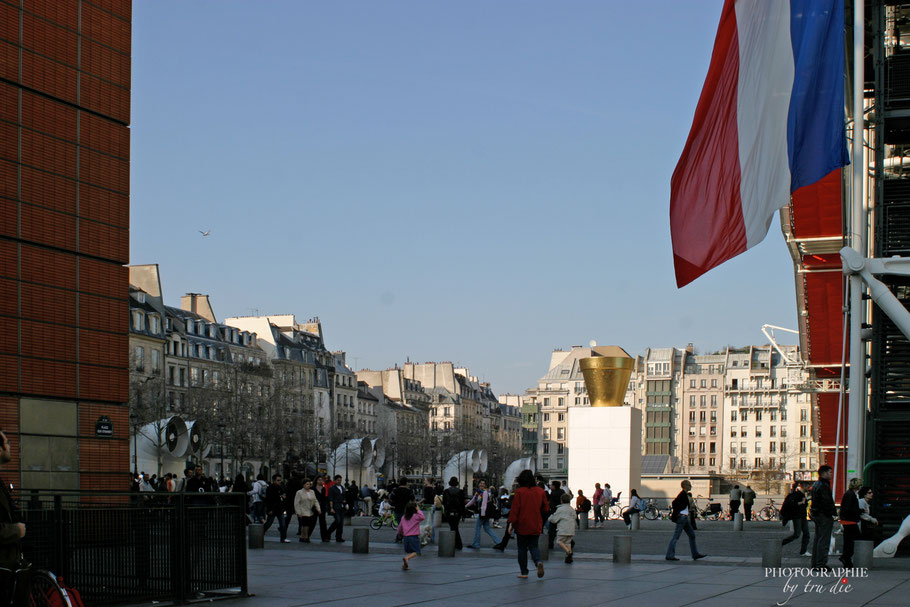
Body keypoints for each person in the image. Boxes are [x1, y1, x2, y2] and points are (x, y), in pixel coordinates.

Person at [508, 469, 549, 579]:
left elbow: (515, 509)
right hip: (535, 523)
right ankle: (538, 562)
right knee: (534, 546)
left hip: (522, 524)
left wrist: (511, 524)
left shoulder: (519, 492)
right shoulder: (540, 492)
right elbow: (546, 508)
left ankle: (524, 572)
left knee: (522, 549)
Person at [665, 480, 707, 561]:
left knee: (692, 535)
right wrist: (679, 512)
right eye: (689, 485)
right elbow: (674, 503)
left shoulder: (684, 494)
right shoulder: (682, 495)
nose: (690, 486)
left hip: (684, 518)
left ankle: (695, 554)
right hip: (682, 518)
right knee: (676, 537)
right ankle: (669, 555)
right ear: (685, 486)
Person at [810, 465, 837, 570]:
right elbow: (826, 502)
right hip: (824, 515)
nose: (831, 474)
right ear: (824, 473)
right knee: (823, 540)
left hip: (818, 515)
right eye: (830, 472)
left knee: (818, 539)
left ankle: (816, 563)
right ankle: (820, 564)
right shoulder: (823, 486)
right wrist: (832, 512)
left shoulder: (817, 484)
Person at [466, 480, 502, 549]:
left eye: (483, 483)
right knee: (487, 528)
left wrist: (482, 513)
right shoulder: (478, 492)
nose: (482, 484)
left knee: (477, 528)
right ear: (478, 484)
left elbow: (484, 503)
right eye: (481, 483)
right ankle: (499, 541)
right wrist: (466, 506)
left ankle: (476, 544)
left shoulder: (484, 492)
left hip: (484, 513)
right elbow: (473, 500)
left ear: (485, 485)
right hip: (485, 513)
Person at [839, 478, 863, 568]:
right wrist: (858, 511)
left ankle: (846, 558)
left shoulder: (849, 494)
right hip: (850, 521)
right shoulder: (851, 495)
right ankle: (846, 557)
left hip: (847, 520)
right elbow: (849, 508)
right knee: (853, 539)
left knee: (848, 540)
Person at [780, 483, 810, 556]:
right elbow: (792, 505)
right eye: (807, 486)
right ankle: (781, 543)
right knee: (797, 534)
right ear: (803, 487)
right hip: (797, 517)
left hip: (802, 516)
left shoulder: (802, 495)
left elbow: (804, 505)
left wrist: (804, 502)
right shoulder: (796, 495)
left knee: (806, 534)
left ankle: (803, 551)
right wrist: (801, 503)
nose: (809, 488)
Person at [549, 493, 577, 563]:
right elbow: (575, 517)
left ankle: (568, 552)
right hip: (571, 529)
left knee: (559, 541)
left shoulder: (560, 509)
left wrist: (550, 517)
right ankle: (568, 557)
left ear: (561, 501)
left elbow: (554, 519)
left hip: (563, 529)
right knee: (568, 543)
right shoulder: (571, 509)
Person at [397, 501, 425, 570]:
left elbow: (400, 527)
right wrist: (418, 510)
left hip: (406, 537)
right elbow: (422, 517)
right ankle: (407, 558)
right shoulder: (415, 516)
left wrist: (400, 533)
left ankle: (405, 566)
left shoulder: (404, 517)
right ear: (414, 508)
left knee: (409, 551)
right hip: (413, 537)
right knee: (416, 552)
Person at [263, 474, 290, 543]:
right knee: (269, 523)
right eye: (278, 480)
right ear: (274, 480)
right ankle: (260, 532)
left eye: (280, 480)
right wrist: (270, 509)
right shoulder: (270, 488)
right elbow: (269, 500)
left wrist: (283, 497)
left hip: (280, 508)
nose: (279, 481)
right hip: (273, 508)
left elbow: (282, 497)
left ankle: (283, 538)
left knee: (283, 524)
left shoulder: (280, 487)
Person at [442, 476, 465, 550]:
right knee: (455, 526)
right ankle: (457, 543)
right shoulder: (461, 491)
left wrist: (445, 511)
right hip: (458, 512)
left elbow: (444, 503)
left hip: (449, 511)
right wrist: (463, 514)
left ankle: (457, 543)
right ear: (457, 483)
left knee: (452, 527)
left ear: (450, 483)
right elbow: (462, 503)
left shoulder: (446, 491)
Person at [294, 478, 320, 543]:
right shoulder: (299, 492)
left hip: (310, 510)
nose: (308, 485)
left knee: (308, 524)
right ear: (303, 485)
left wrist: (318, 508)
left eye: (309, 484)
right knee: (305, 524)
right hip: (303, 510)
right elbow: (296, 503)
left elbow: (315, 501)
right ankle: (305, 537)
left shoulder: (312, 492)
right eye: (307, 484)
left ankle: (302, 536)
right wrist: (298, 512)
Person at [326, 474, 346, 542]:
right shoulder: (332, 488)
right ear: (335, 481)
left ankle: (339, 536)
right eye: (338, 480)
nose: (339, 481)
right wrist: (331, 508)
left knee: (341, 522)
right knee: (338, 520)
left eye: (340, 480)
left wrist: (345, 502)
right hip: (335, 506)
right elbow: (330, 499)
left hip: (342, 507)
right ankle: (328, 532)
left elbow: (344, 497)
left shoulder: (342, 488)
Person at [546, 480, 565, 549]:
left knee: (552, 529)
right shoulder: (562, 492)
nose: (550, 486)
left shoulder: (553, 493)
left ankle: (550, 543)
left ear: (554, 486)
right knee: (562, 528)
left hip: (554, 512)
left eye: (551, 485)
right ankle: (570, 542)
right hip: (561, 512)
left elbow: (551, 503)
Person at [314, 476, 330, 542]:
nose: (320, 481)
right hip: (314, 507)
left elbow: (324, 498)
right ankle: (306, 535)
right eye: (319, 480)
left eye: (321, 480)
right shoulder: (313, 488)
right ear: (316, 480)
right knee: (312, 522)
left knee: (323, 523)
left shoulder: (323, 488)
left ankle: (324, 537)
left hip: (322, 507)